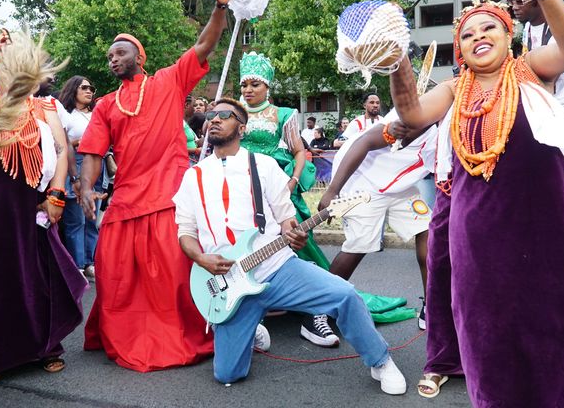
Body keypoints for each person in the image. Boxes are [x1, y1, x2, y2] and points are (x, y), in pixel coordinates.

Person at [388, 0, 564, 406]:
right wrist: (396, 59)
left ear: (508, 34)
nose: (479, 35)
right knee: (492, 338)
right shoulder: (454, 89)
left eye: (489, 26)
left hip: (550, 231)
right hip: (480, 243)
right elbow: (410, 110)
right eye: (468, 33)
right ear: (460, 47)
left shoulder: (531, 70)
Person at [173, 98, 407, 395]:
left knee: (345, 295)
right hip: (230, 285)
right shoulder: (192, 177)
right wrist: (200, 257)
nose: (214, 119)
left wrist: (294, 234)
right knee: (227, 374)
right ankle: (253, 330)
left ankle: (381, 360)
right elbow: (185, 231)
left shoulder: (264, 166)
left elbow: (286, 220)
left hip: (277, 267)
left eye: (224, 115)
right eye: (211, 115)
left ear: (242, 128)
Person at [77, 0, 234, 371]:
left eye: (120, 53)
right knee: (114, 271)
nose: (112, 58)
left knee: (171, 273)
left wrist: (219, 7)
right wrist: (84, 188)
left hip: (170, 195)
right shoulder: (106, 105)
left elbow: (204, 45)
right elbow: (93, 152)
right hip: (127, 197)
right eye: (110, 55)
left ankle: (185, 330)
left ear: (139, 57)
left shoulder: (168, 81)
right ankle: (123, 332)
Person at [0, 30, 86, 383]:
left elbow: (59, 151)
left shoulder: (45, 107)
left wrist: (56, 197)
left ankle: (44, 348)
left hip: (32, 205)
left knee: (37, 274)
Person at [237, 52, 337, 347]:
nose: (248, 90)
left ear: (267, 86)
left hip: (277, 184)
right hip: (241, 186)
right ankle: (251, 302)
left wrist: (292, 181)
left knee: (294, 238)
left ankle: (315, 306)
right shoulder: (233, 111)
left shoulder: (284, 114)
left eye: (255, 84)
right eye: (244, 85)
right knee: (246, 243)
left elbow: (298, 151)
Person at [316, 111, 436, 333]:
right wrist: (333, 191)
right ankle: (316, 312)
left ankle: (431, 307)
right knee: (360, 245)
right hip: (363, 182)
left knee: (427, 231)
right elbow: (365, 141)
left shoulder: (455, 125)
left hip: (399, 186)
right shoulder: (419, 114)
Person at [509, 0, 564, 117]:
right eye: (511, 1)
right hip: (546, 102)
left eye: (520, 1)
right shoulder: (527, 27)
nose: (514, 7)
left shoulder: (558, 28)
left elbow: (549, 77)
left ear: (537, 0)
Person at [58, 76, 103, 277]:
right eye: (84, 87)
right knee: (76, 219)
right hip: (74, 165)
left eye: (91, 87)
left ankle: (89, 261)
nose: (89, 91)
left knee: (92, 217)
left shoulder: (96, 115)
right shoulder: (66, 114)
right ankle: (76, 264)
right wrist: (78, 142)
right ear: (73, 89)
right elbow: (61, 142)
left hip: (96, 166)